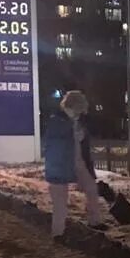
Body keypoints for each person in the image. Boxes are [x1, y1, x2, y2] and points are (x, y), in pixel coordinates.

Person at [43, 90, 106, 240]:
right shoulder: (57, 121)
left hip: (79, 163)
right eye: (79, 109)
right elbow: (54, 144)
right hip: (60, 165)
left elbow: (84, 144)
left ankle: (94, 221)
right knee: (60, 203)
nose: (80, 113)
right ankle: (58, 233)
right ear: (72, 106)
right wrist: (71, 134)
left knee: (91, 189)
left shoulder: (77, 121)